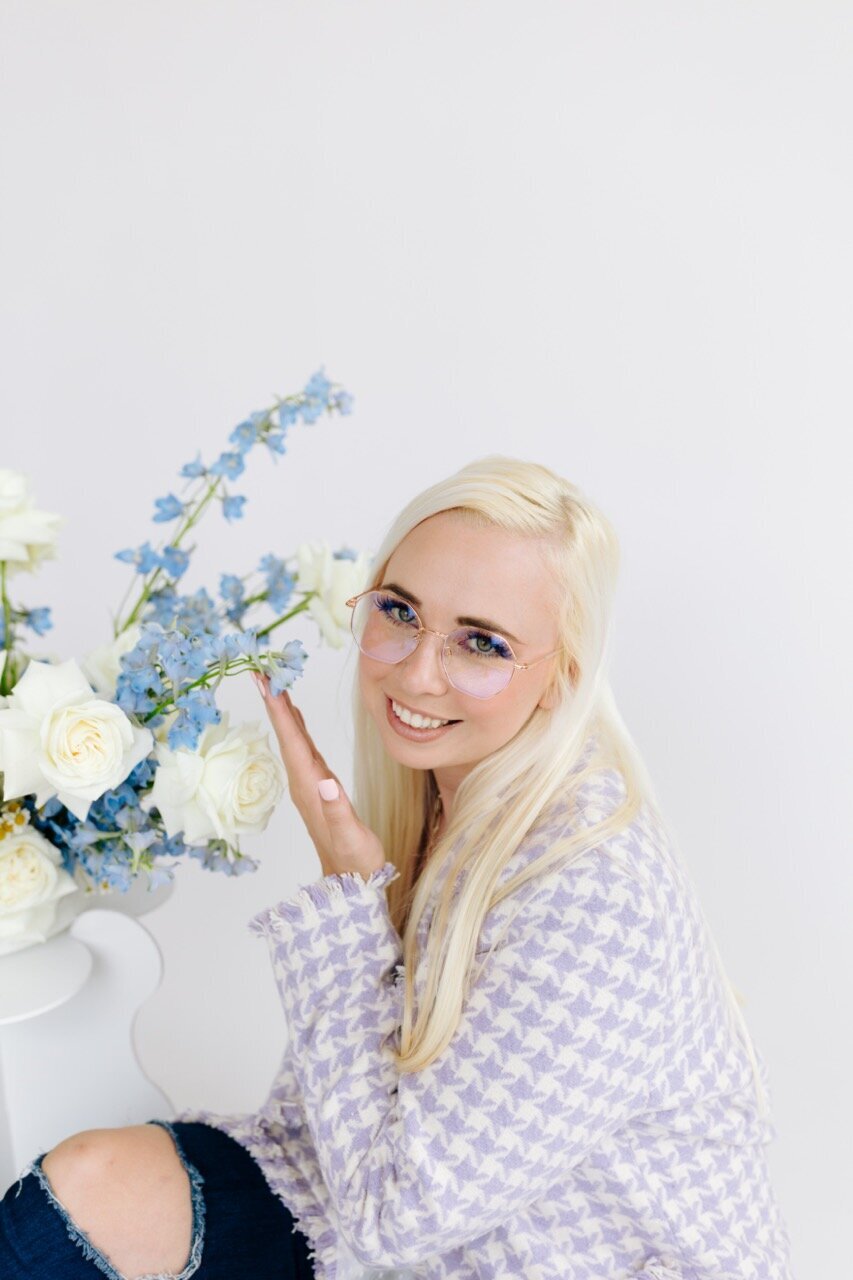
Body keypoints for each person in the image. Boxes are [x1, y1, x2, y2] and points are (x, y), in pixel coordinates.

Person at [0, 455, 795, 1279]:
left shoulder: (595, 892)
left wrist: (348, 889)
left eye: (482, 643)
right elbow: (341, 1133)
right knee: (93, 1183)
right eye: (400, 611)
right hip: (412, 1236)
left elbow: (392, 1214)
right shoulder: (455, 810)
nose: (416, 671)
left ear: (560, 678)